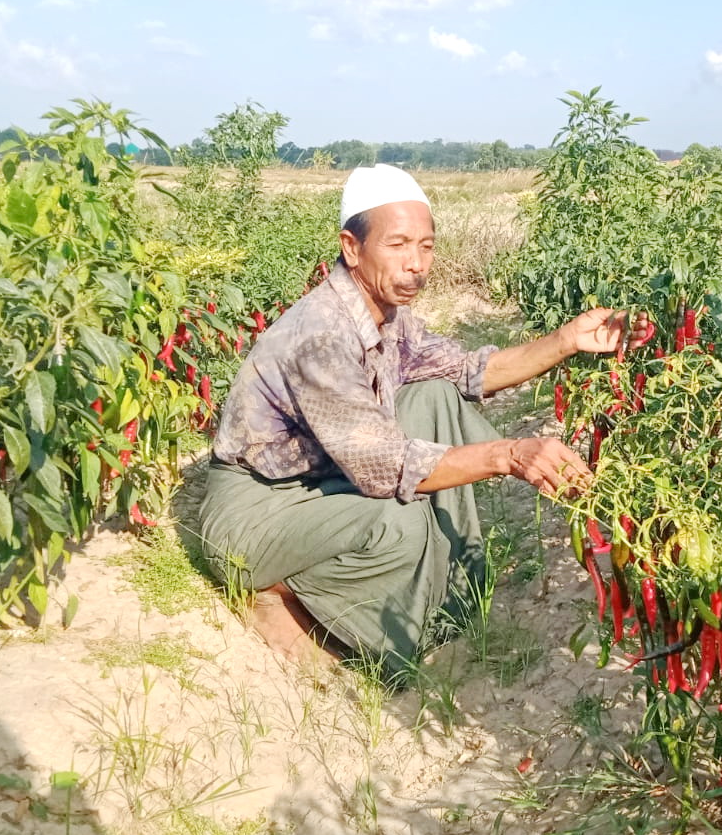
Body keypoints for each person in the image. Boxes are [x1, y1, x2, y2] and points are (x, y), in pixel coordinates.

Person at [199, 163, 648, 677]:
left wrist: (567, 340)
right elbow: (385, 468)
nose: (417, 264)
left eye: (427, 246)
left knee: (436, 397)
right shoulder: (321, 336)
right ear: (352, 248)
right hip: (258, 509)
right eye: (398, 245)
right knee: (399, 518)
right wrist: (508, 455)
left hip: (318, 483)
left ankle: (447, 589)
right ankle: (281, 594)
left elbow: (469, 371)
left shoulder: (386, 316)